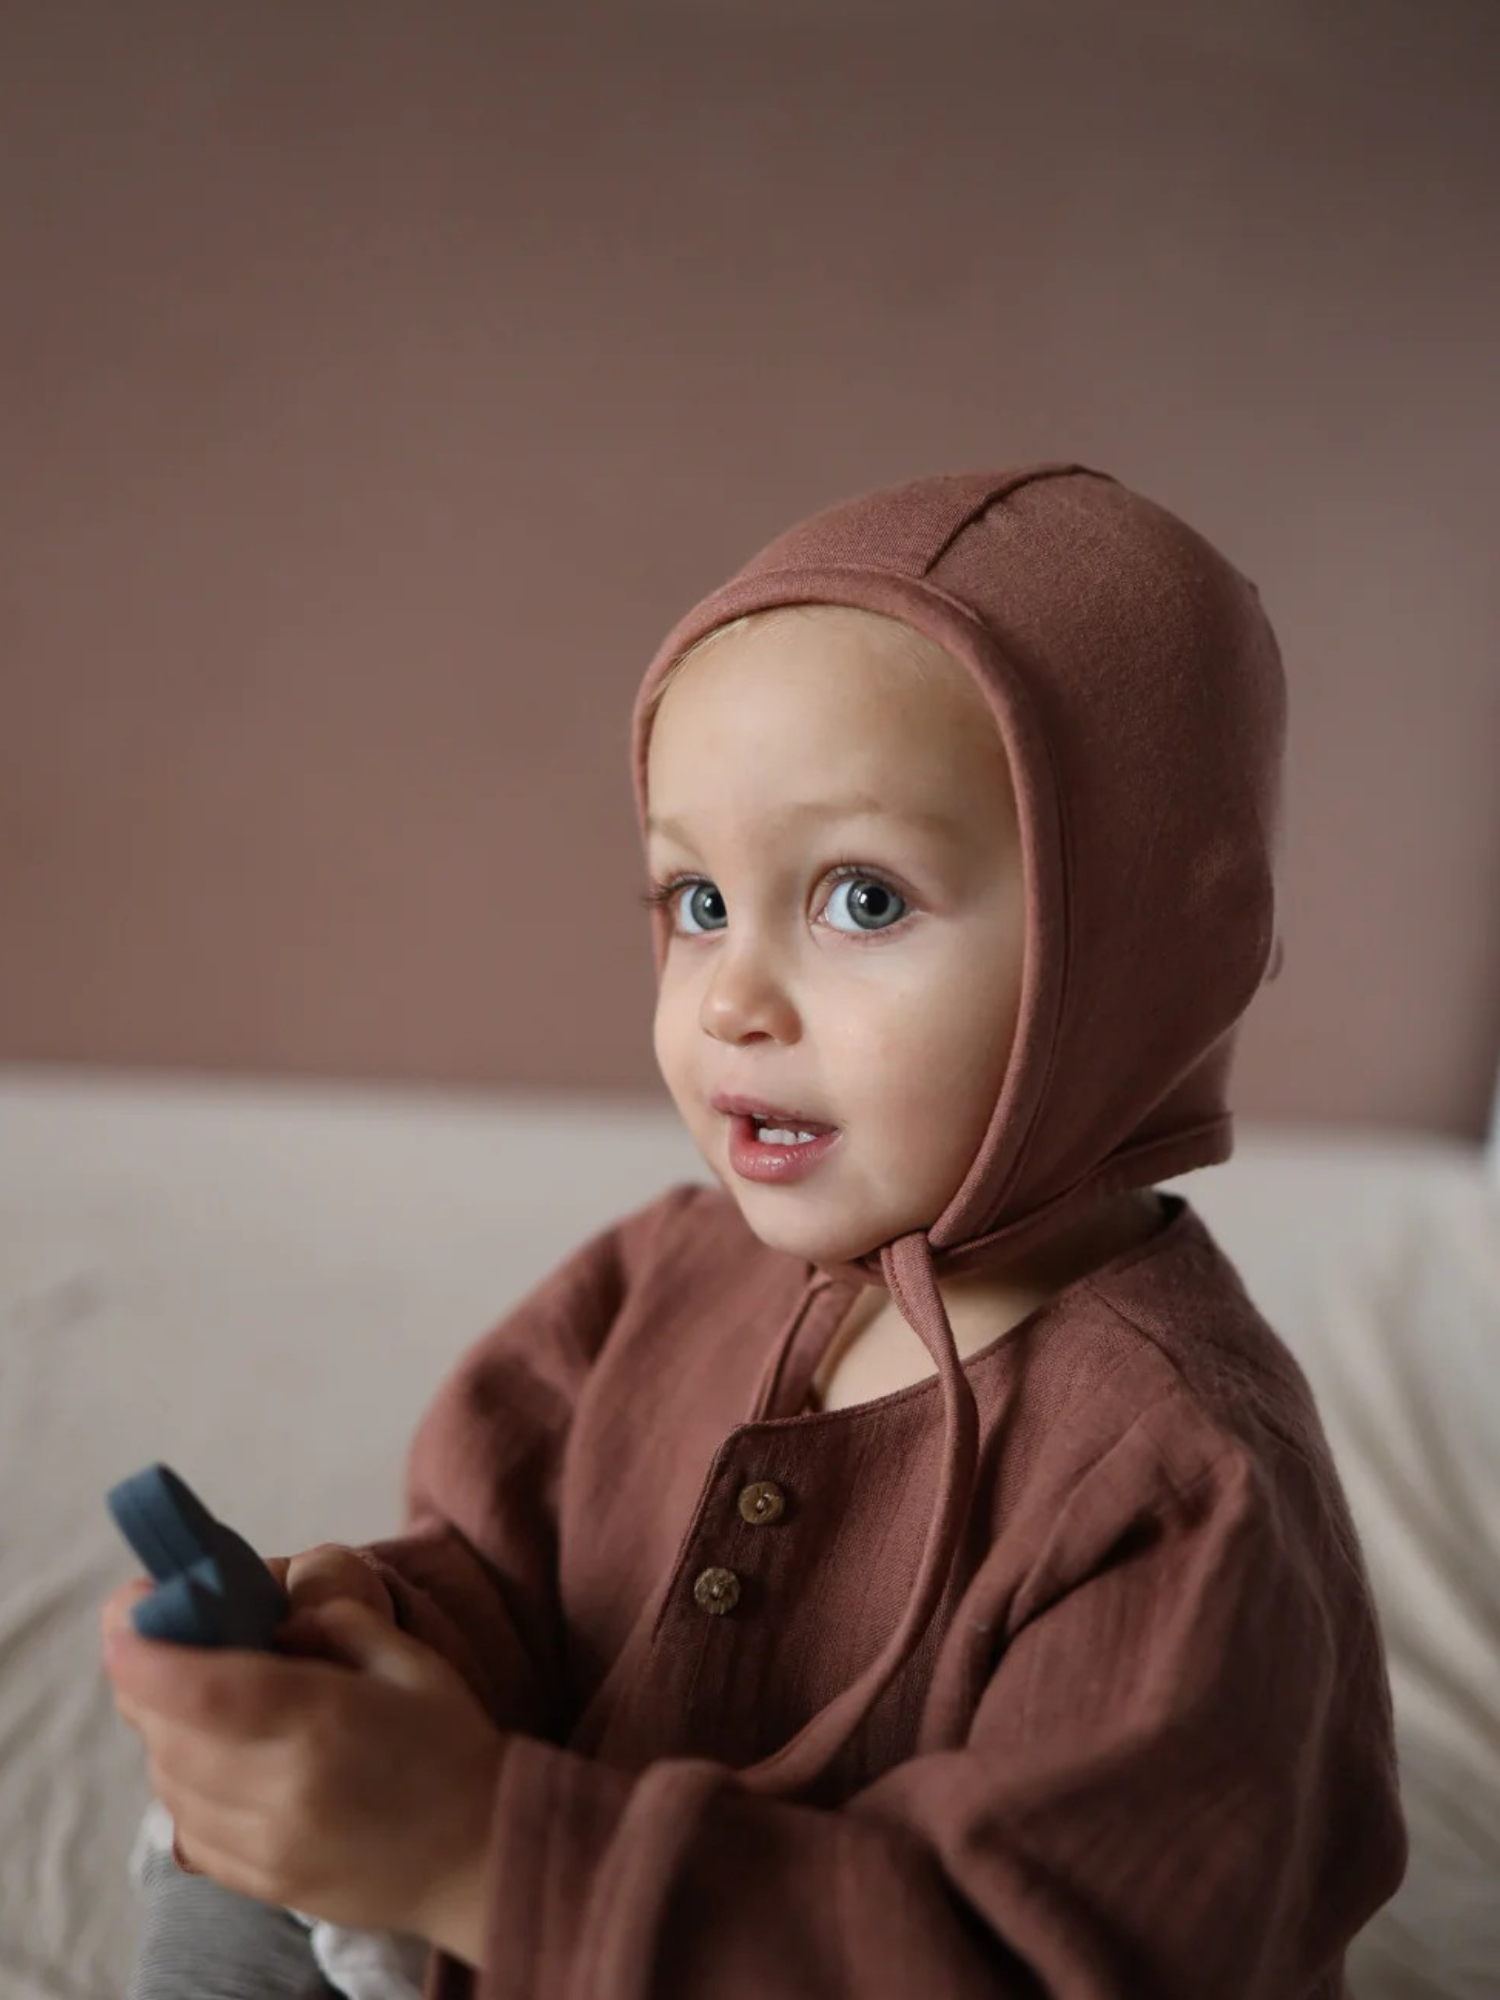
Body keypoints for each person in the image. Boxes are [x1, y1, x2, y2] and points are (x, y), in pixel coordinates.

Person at [103, 462, 1407, 2000]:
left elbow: (1045, 1960)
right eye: (697, 899)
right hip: (551, 1937)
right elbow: (514, 1587)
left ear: (1140, 958)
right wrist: (376, 1650)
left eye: (861, 900)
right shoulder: (658, 1277)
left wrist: (472, 1851)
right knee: (227, 1889)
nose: (730, 998)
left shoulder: (1180, 1485)